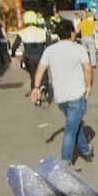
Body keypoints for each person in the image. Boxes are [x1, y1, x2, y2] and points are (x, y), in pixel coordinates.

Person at [29, 18, 94, 166]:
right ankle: (65, 162)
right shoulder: (79, 49)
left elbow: (40, 69)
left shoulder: (50, 50)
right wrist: (89, 85)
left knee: (74, 125)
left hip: (60, 98)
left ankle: (86, 151)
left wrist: (36, 87)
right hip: (77, 96)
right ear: (72, 33)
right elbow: (88, 69)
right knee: (71, 130)